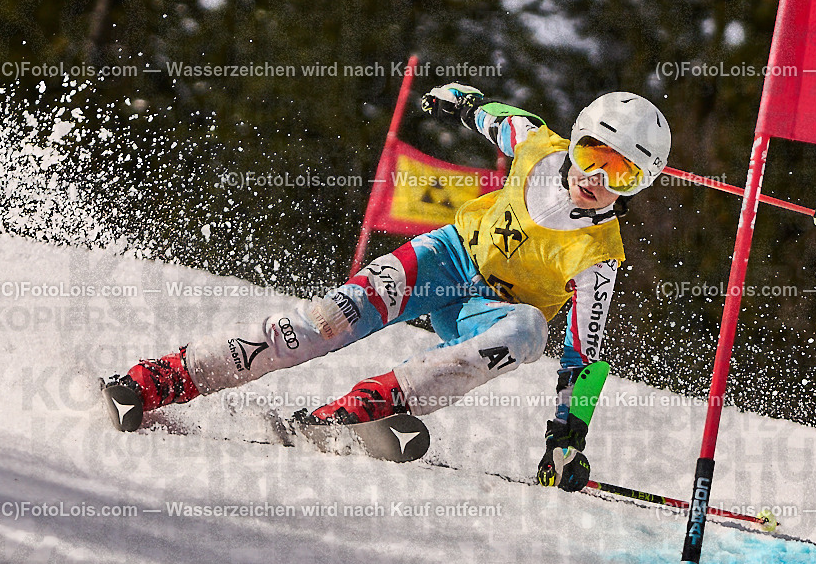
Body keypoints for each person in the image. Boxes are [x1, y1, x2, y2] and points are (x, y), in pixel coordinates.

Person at [103, 84, 671, 492]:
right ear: (576, 141)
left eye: (622, 173)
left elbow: (583, 357)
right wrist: (462, 100)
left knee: (528, 332)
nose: (597, 178)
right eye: (595, 154)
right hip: (444, 260)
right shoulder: (538, 145)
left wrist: (564, 439)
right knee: (323, 322)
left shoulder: (601, 256)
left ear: (638, 186)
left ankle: (359, 409)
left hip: (489, 313)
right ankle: (161, 379)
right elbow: (498, 117)